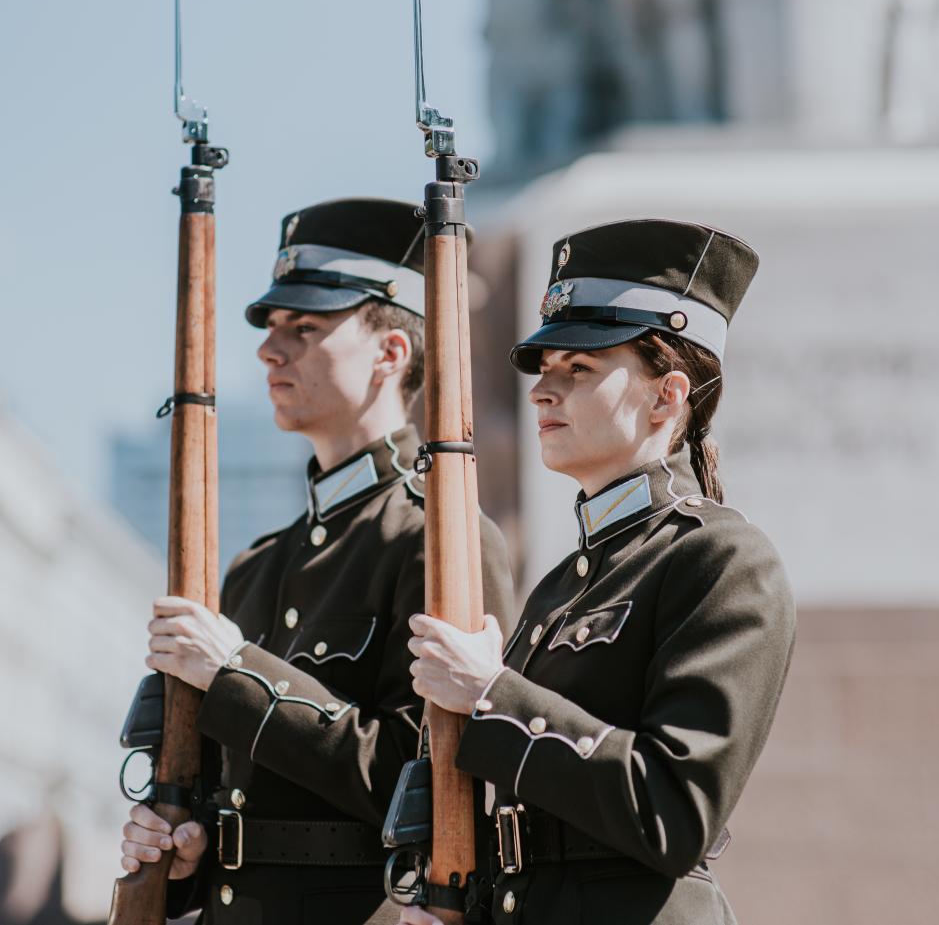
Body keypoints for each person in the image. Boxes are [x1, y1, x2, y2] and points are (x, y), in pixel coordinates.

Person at [119, 197, 516, 924]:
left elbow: (419, 773)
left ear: (390, 354)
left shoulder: (438, 542)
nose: (271, 350)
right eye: (272, 330)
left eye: (305, 328)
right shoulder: (256, 566)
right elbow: (229, 797)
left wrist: (236, 671)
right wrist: (183, 849)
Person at [399, 218, 795, 924]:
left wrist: (493, 693)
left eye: (578, 368)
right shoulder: (561, 584)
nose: (542, 392)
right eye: (545, 369)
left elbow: (674, 810)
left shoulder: (723, 560)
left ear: (666, 396)